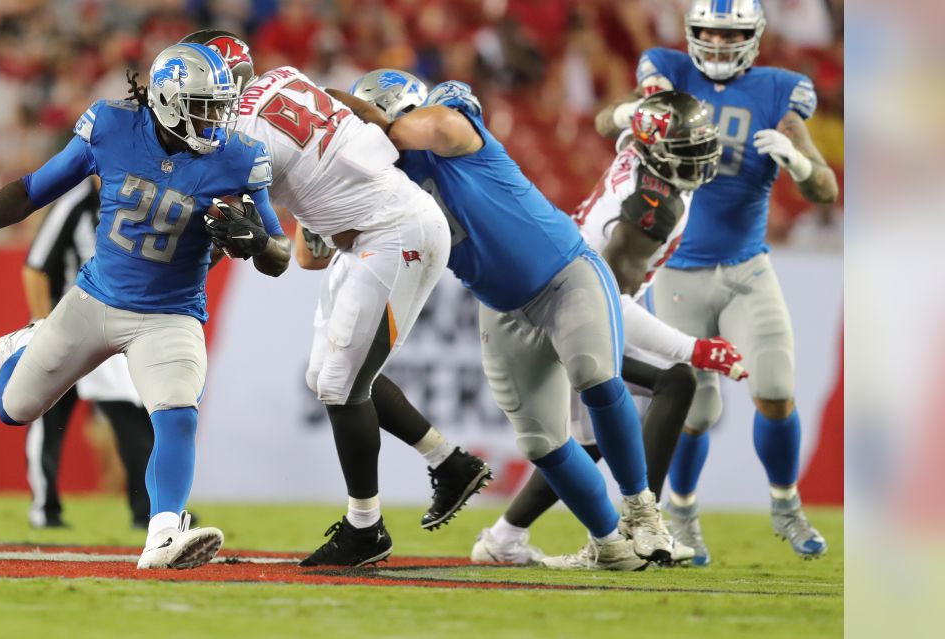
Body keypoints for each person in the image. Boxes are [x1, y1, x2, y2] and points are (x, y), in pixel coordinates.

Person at [0, 44, 291, 570]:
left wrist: (255, 243)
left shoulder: (241, 156)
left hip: (171, 313)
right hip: (94, 299)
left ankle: (162, 535)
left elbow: (279, 255)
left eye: (220, 105)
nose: (217, 118)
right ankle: (28, 338)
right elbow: (32, 191)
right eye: (204, 105)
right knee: (14, 410)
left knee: (177, 412)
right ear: (170, 102)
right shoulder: (111, 126)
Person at [341, 70, 669, 570]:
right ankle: (610, 545)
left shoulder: (447, 127)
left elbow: (431, 128)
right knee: (542, 442)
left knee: (596, 378)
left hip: (565, 274)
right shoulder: (382, 183)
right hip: (500, 305)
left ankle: (642, 510)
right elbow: (318, 253)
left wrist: (329, 108)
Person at [180, 31, 470, 568]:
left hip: (391, 232)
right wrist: (376, 134)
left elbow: (271, 249)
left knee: (341, 384)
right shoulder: (283, 78)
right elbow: (339, 95)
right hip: (380, 230)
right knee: (328, 376)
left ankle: (366, 529)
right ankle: (448, 461)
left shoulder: (238, 136)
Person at [593, 0, 839, 561]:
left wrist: (799, 166)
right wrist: (631, 117)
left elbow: (826, 188)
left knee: (775, 388)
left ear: (753, 38)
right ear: (691, 32)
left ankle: (786, 505)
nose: (719, 45)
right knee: (696, 413)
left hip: (747, 268)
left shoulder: (782, 91)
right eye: (708, 32)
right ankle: (682, 512)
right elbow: (605, 120)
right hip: (678, 270)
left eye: (732, 36)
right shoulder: (667, 70)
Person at [472, 91, 749, 567]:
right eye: (686, 150)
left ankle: (503, 539)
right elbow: (611, 305)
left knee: (592, 439)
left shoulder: (638, 149)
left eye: (701, 146)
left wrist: (631, 114)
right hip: (569, 308)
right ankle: (642, 527)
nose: (699, 159)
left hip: (564, 297)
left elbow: (608, 121)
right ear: (658, 150)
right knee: (675, 379)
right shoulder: (650, 207)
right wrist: (693, 348)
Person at [20, 175, 152, 530]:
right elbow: (35, 266)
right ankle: (45, 508)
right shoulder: (74, 203)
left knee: (131, 414)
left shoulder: (139, 197)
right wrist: (41, 324)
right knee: (47, 418)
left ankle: (148, 510)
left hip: (111, 327)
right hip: (67, 328)